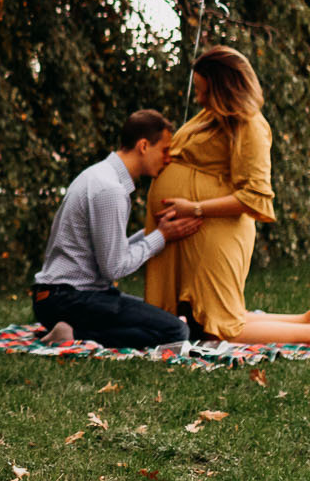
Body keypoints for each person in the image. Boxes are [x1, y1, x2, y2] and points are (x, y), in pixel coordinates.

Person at [143, 45, 310, 343]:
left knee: (222, 327)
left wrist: (195, 208)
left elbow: (255, 197)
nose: (199, 98)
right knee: (205, 318)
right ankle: (308, 320)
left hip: (216, 231)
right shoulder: (209, 116)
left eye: (204, 91)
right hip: (195, 232)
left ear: (224, 88)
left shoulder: (251, 127)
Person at [30, 109, 205, 348]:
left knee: (164, 321)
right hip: (69, 298)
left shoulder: (101, 176)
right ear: (143, 146)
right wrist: (161, 237)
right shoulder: (109, 189)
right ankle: (74, 334)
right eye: (164, 150)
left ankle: (71, 330)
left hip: (59, 297)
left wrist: (155, 232)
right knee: (175, 331)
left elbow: (112, 249)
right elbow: (115, 266)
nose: (168, 159)